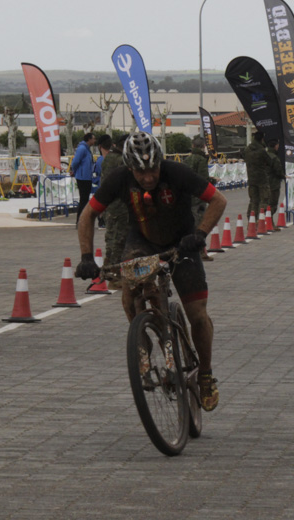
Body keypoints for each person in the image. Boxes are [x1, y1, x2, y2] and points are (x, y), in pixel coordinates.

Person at [74, 132, 228, 410]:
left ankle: (205, 374)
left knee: (197, 314)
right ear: (130, 168)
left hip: (182, 241)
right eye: (141, 172)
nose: (148, 177)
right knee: (128, 296)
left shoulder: (177, 172)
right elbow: (88, 214)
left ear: (161, 163)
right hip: (142, 241)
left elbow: (218, 200)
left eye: (153, 170)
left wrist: (201, 233)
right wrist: (86, 256)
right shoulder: (119, 178)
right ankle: (143, 342)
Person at [100, 134, 131, 268]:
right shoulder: (121, 160)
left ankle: (108, 265)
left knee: (111, 236)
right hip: (121, 204)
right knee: (120, 238)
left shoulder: (108, 158)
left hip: (109, 203)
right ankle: (115, 271)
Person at [184, 136, 215, 261]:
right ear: (203, 147)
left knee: (189, 224)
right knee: (201, 224)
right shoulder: (201, 160)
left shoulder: (186, 160)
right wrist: (213, 181)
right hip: (198, 198)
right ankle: (201, 251)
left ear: (193, 146)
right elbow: (203, 180)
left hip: (187, 197)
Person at [243, 131, 271, 223]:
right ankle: (261, 219)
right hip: (262, 179)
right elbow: (269, 162)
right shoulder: (262, 151)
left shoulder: (247, 150)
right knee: (264, 199)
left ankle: (251, 220)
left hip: (251, 179)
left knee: (253, 200)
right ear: (262, 139)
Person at [70, 133, 95, 224]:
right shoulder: (82, 149)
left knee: (85, 199)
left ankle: (82, 220)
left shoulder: (87, 149)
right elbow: (75, 161)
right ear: (89, 139)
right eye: (93, 139)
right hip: (82, 177)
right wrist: (74, 170)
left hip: (87, 176)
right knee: (84, 199)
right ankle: (80, 221)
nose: (94, 140)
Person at [266, 138, 286, 217]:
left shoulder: (263, 155)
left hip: (264, 183)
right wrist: (284, 176)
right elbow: (278, 171)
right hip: (273, 183)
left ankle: (261, 221)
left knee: (265, 203)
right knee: (273, 203)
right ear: (275, 146)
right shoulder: (274, 157)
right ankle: (269, 222)